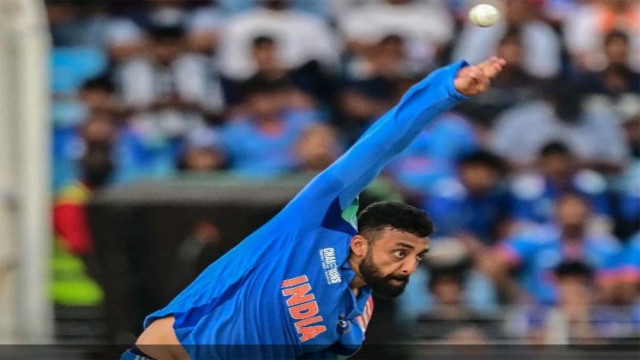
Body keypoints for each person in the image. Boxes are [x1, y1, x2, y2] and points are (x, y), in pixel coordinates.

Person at [121, 57, 506, 360]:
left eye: (418, 258)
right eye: (401, 252)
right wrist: (446, 91)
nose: (408, 267)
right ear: (359, 244)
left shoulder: (353, 323)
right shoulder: (313, 223)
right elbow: (379, 145)